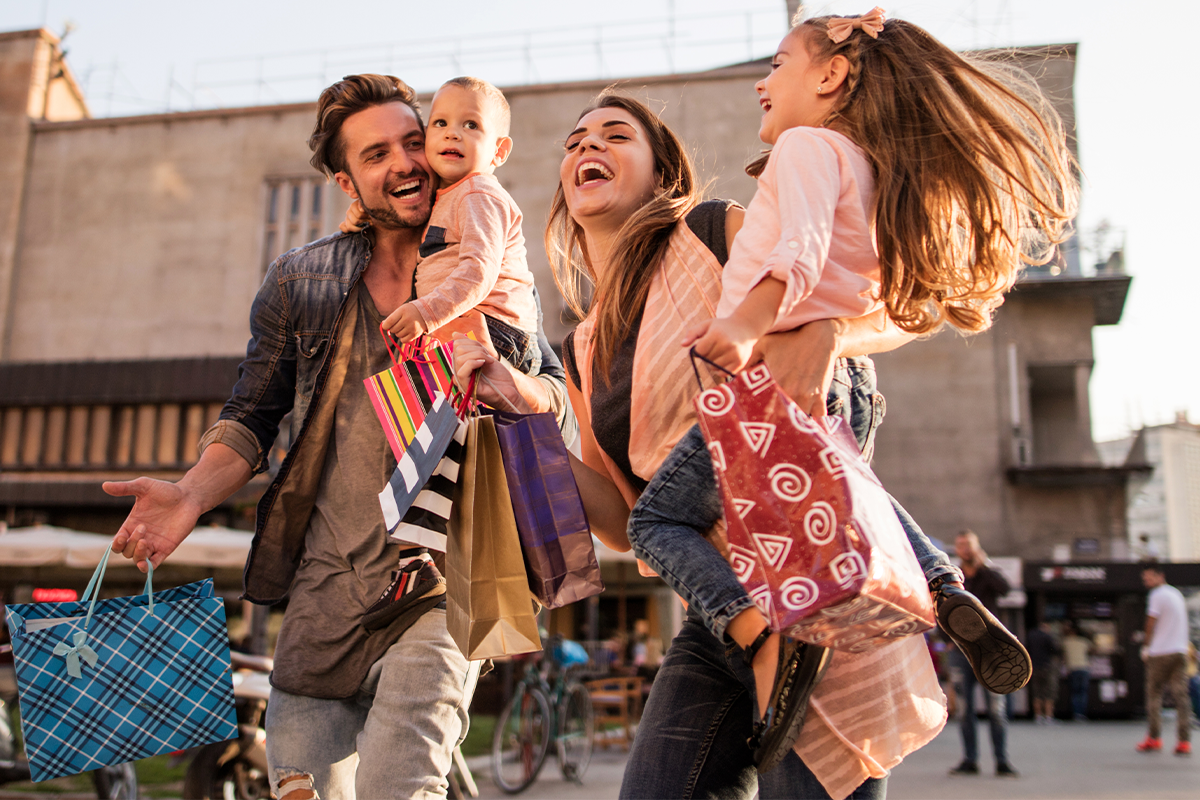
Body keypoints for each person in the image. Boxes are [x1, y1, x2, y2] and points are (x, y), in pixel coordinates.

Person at [103, 74, 573, 800]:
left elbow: (559, 407)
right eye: (378, 153)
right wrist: (190, 494)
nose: (408, 162)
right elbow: (253, 413)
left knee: (400, 787)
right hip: (324, 591)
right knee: (304, 788)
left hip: (442, 584)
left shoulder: (486, 259)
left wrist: (518, 386)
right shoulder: (303, 280)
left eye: (414, 141)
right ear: (347, 181)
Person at [627, 3, 1062, 770]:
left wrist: (742, 329)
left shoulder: (807, 147)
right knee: (846, 484)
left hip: (778, 370)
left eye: (777, 64)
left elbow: (793, 252)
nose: (763, 81)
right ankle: (942, 586)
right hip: (844, 385)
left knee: (656, 522)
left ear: (832, 75)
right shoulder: (872, 169)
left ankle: (759, 631)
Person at [375, 76, 541, 375]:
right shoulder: (446, 194)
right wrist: (362, 211)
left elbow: (479, 270)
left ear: (499, 151)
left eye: (471, 125)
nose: (452, 133)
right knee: (442, 413)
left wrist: (425, 313)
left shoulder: (479, 194)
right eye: (440, 123)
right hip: (462, 323)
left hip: (496, 329)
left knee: (447, 410)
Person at [948, 530, 1020, 777]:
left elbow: (1006, 589)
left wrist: (985, 565)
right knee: (965, 709)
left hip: (991, 651)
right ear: (956, 550)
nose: (964, 549)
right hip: (960, 650)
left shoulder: (988, 574)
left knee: (996, 709)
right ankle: (970, 759)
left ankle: (1002, 760)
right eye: (960, 545)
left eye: (968, 545)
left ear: (976, 547)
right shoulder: (952, 576)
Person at [1136, 563, 1193, 755]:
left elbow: (1150, 623)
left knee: (1154, 695)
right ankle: (1184, 742)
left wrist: (1145, 647)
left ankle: (1154, 738)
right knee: (1181, 697)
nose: (1146, 581)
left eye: (1149, 577)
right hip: (1180, 651)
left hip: (1160, 653)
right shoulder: (1176, 593)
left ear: (1160, 576)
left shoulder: (1156, 595)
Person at [1026, 622, 1061, 724]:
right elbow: (1054, 650)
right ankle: (1048, 716)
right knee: (1049, 692)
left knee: (1037, 692)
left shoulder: (1031, 636)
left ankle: (1038, 716)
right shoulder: (1047, 637)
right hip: (1047, 667)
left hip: (1034, 667)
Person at [1061, 620, 1092, 721]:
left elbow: (1063, 655)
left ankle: (1076, 713)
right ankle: (1082, 713)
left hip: (1072, 668)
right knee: (1083, 692)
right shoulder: (1083, 641)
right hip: (1084, 667)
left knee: (1074, 692)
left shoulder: (1065, 642)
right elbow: (1093, 649)